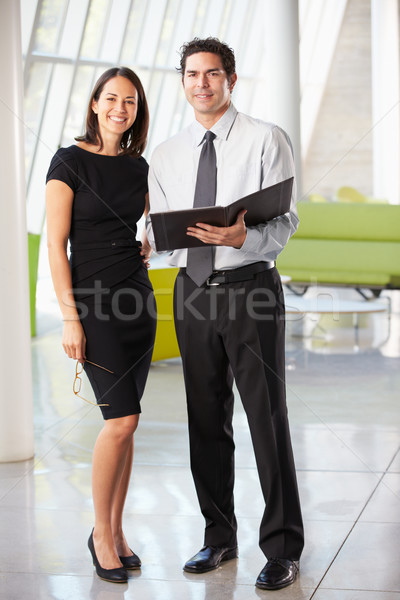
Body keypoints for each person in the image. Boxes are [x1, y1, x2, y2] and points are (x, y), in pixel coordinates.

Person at [147, 38, 304, 591]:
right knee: (204, 418)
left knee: (266, 417)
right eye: (192, 74)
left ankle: (283, 546)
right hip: (191, 293)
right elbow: (163, 233)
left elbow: (286, 223)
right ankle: (218, 536)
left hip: (250, 290)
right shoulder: (164, 155)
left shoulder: (266, 139)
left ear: (230, 80)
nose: (202, 84)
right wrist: (151, 241)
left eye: (213, 74)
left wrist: (248, 236)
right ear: (183, 81)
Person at [46, 67, 157, 584]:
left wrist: (150, 241)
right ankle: (99, 532)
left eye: (130, 101)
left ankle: (115, 530)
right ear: (94, 104)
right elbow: (55, 245)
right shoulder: (67, 162)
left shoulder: (140, 168)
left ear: (138, 110)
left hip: (137, 299)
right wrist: (70, 317)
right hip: (93, 304)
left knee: (128, 422)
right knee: (120, 421)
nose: (120, 108)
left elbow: (149, 226)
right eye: (111, 98)